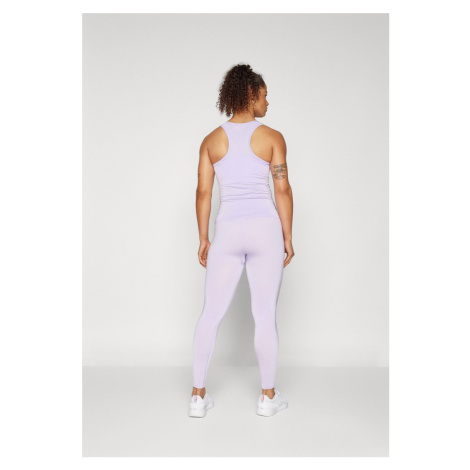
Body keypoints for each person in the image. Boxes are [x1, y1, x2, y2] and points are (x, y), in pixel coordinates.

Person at [189, 64, 294, 418]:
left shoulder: (211, 141)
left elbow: (203, 192)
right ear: (250, 94)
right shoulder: (273, 138)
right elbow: (282, 188)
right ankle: (268, 398)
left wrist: (204, 238)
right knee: (264, 314)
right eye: (264, 95)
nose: (268, 101)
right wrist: (287, 236)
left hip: (227, 232)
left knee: (210, 313)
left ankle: (197, 397)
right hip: (266, 230)